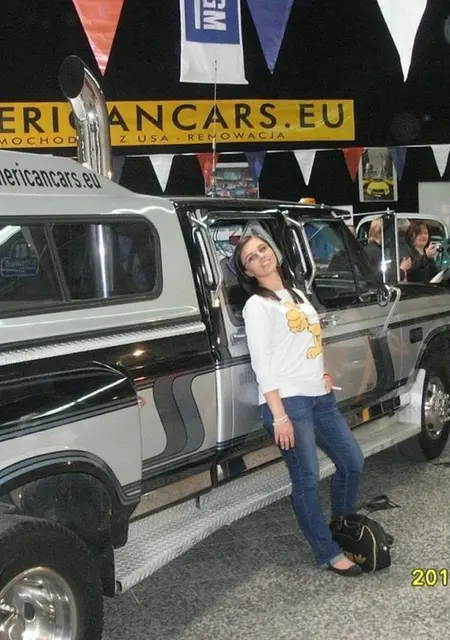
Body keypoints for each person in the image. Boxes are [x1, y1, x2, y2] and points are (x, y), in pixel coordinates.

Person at [233, 231, 365, 576]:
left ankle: (342, 529)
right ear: (247, 272)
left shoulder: (297, 295)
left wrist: (321, 371)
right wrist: (279, 416)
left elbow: (307, 341)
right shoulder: (257, 305)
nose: (261, 257)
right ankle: (327, 552)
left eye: (263, 249)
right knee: (307, 478)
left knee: (352, 461)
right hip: (288, 403)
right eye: (251, 258)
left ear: (273, 251)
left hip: (319, 395)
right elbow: (262, 363)